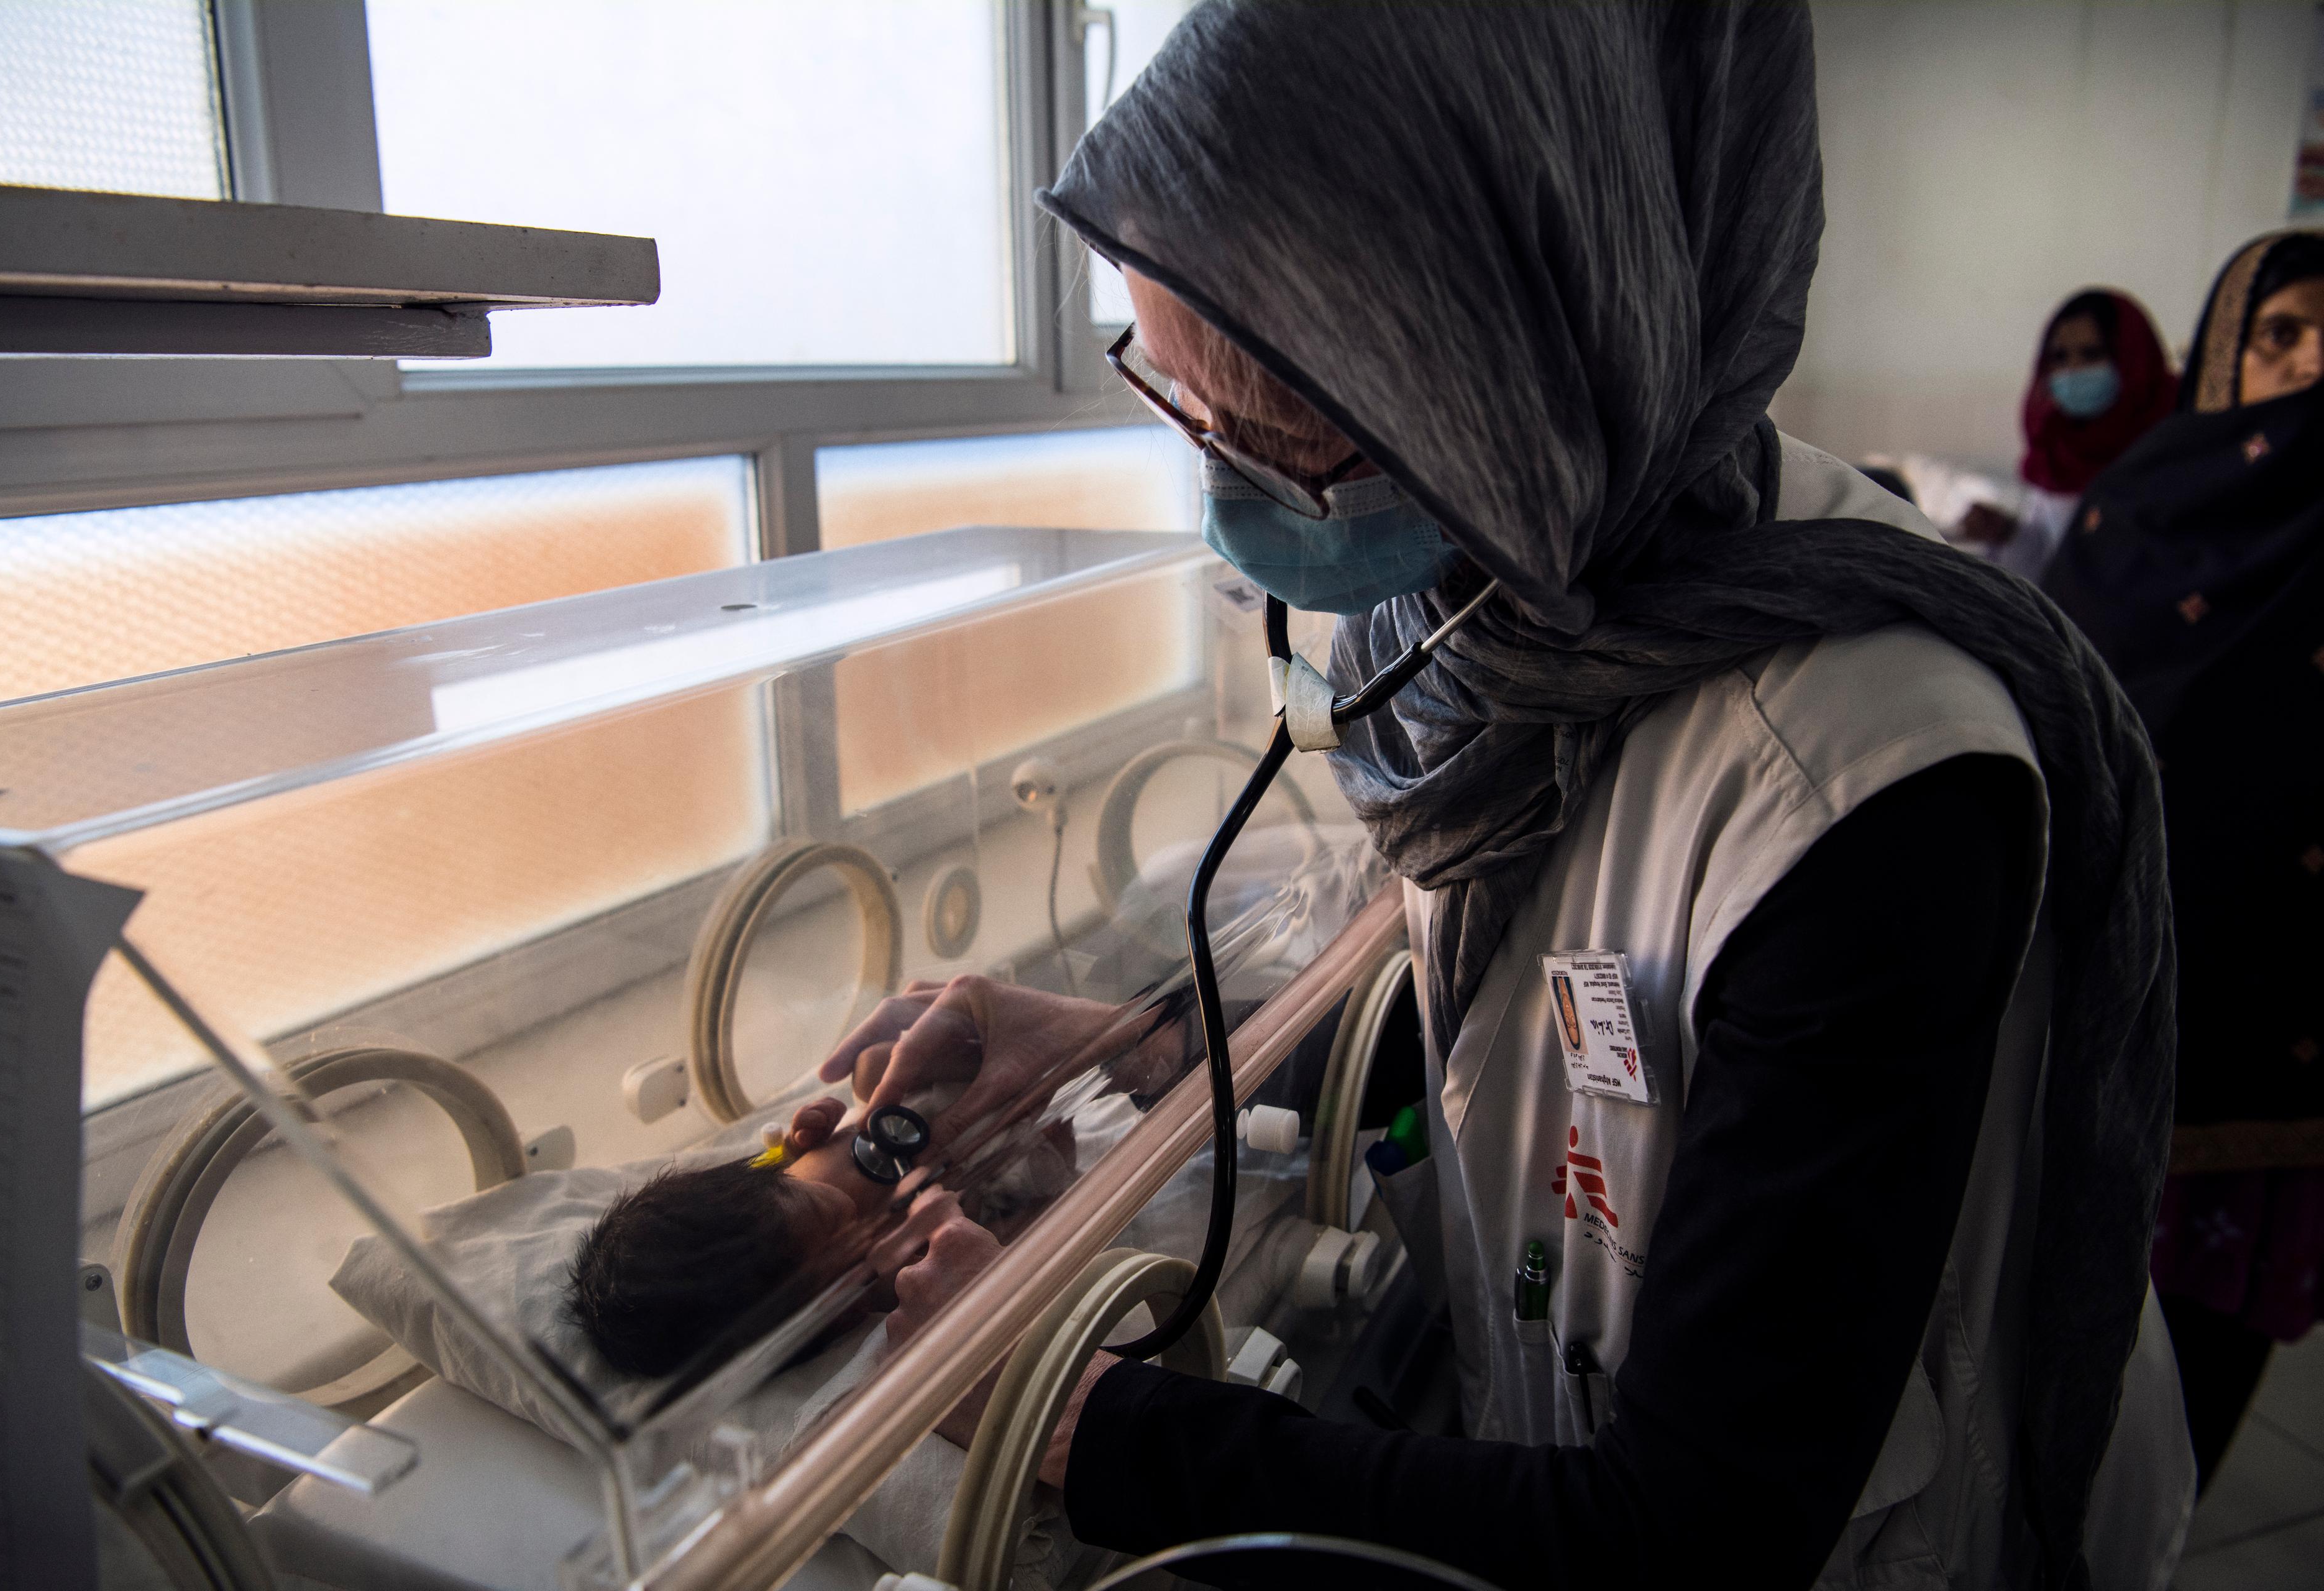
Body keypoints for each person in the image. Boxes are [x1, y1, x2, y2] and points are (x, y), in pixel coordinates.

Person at [849, 7, 2193, 1590]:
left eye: (1286, 440)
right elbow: (1522, 996)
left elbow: (1690, 1532)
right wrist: (1116, 1039)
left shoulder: (1863, 797)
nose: (1231, 508)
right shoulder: (1510, 618)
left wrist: (1086, 1425)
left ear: (1519, 352)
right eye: (1181, 407)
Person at [2043, 229, 2324, 1488]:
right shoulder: (2132, 511)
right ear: (2223, 356)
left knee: (2206, 1358)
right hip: (2115, 1005)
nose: (2314, 359)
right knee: (2058, 1343)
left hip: (2289, 1037)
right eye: (2282, 333)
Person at [567, 1065, 1073, 1376]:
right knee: (1050, 1180)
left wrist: (815, 1126)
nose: (855, 1225)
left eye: (810, 1201)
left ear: (774, 1175)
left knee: (877, 1065)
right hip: (999, 1185)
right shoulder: (892, 1287)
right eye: (849, 1277)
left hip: (944, 1103)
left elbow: (823, 1129)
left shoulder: (789, 1160)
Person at [1947, 289, 2177, 582]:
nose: (2072, 369)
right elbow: (2047, 569)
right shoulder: (2055, 451)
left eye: (2091, 354)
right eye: (2059, 357)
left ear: (2133, 357)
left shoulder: (2174, 444)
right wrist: (2008, 533)